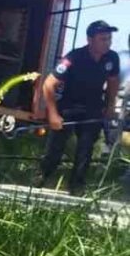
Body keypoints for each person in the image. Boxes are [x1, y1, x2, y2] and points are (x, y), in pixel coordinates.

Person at [38, 20, 121, 195]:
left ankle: (77, 187)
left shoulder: (112, 58)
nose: (108, 42)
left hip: (93, 108)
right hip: (68, 107)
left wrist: (110, 106)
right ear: (90, 40)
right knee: (55, 147)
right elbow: (48, 84)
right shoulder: (74, 57)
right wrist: (53, 114)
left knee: (85, 149)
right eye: (103, 39)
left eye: (109, 39)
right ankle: (41, 178)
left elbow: (113, 82)